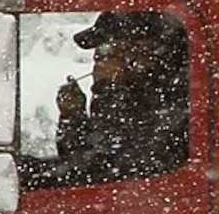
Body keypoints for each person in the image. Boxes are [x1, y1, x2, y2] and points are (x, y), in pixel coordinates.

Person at [48, 11, 189, 186]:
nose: (98, 67)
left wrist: (109, 89)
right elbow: (81, 160)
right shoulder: (128, 99)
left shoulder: (166, 103)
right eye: (98, 58)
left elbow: (106, 169)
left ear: (141, 54)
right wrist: (73, 115)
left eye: (108, 56)